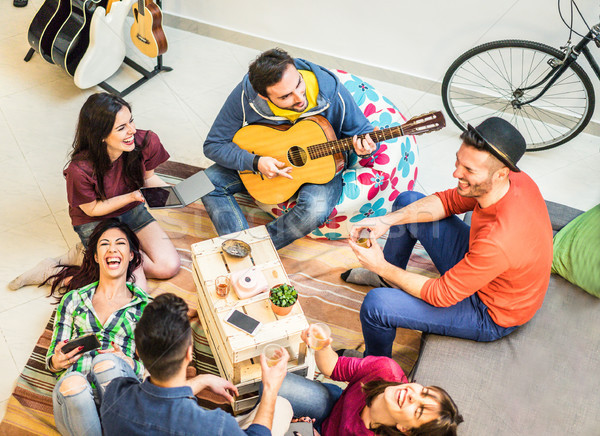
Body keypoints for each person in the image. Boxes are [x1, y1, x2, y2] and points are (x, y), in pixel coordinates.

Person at [342, 117, 553, 356]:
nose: (456, 173)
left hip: (488, 311)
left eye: (469, 170)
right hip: (485, 266)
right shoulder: (513, 179)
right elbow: (448, 201)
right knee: (408, 202)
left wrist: (380, 266)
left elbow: (440, 294)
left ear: (500, 174)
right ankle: (387, 279)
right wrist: (386, 220)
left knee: (377, 304)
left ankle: (375, 370)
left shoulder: (500, 239)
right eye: (458, 162)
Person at [201, 48, 377, 249]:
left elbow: (363, 130)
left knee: (315, 210)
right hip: (264, 161)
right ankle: (239, 246)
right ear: (264, 97)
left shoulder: (329, 89)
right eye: (285, 96)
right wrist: (256, 162)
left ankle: (259, 249)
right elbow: (214, 144)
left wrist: (366, 148)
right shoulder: (245, 96)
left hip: (322, 166)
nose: (299, 98)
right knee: (206, 183)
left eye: (299, 84)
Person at [9, 92, 180, 291]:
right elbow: (92, 209)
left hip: (131, 210)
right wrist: (132, 197)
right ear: (101, 136)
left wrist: (173, 194)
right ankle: (66, 266)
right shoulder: (80, 169)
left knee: (168, 267)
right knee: (136, 286)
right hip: (95, 220)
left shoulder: (146, 141)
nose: (132, 130)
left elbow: (148, 177)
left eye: (131, 121)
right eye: (122, 128)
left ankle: (96, 256)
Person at [100, 292, 293, 436]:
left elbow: (161, 400)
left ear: (139, 353)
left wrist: (202, 380)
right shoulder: (216, 425)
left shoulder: (115, 394)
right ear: (189, 353)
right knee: (282, 406)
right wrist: (270, 388)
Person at [47, 219, 151, 436]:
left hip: (119, 390)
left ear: (131, 254)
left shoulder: (146, 307)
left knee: (106, 363)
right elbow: (52, 362)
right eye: (104, 244)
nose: (112, 248)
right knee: (73, 383)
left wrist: (129, 362)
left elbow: (156, 371)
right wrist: (57, 361)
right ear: (96, 256)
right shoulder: (73, 300)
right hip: (74, 399)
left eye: (120, 243)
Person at [274, 326, 462, 436]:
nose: (413, 396)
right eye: (423, 391)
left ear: (405, 429)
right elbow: (333, 367)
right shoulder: (385, 369)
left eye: (418, 410)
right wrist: (322, 347)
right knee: (274, 383)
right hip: (331, 405)